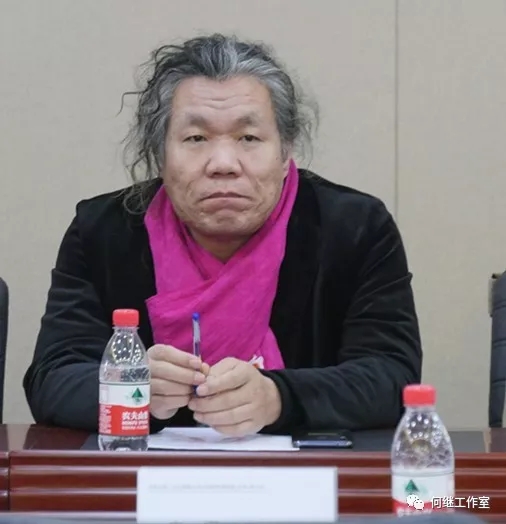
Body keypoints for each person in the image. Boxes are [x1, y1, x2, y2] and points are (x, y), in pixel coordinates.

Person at [23, 33, 422, 437]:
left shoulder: (355, 228)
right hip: (145, 470)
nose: (224, 163)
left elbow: (391, 377)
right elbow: (52, 379)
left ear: (285, 151)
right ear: (160, 154)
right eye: (196, 139)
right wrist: (131, 387)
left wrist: (278, 397)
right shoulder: (103, 231)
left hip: (306, 471)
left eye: (249, 138)